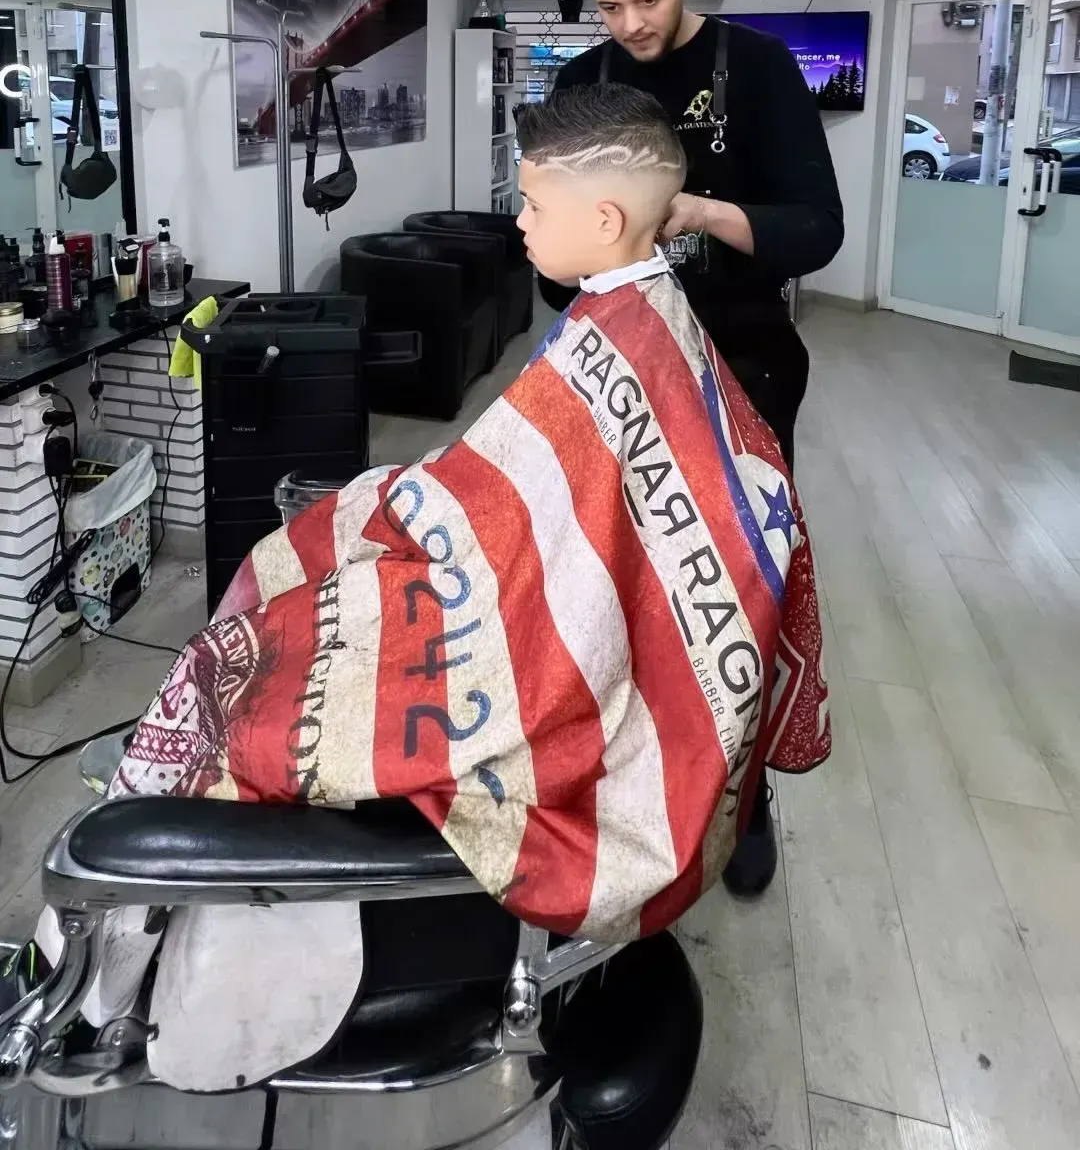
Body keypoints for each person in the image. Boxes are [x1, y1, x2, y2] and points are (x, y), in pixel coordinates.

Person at [52, 83, 828, 1092]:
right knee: (295, 562)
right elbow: (531, 499)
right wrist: (424, 507)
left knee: (235, 675)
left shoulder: (626, 336)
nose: (518, 219)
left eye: (532, 204)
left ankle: (108, 975)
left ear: (603, 221)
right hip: (503, 576)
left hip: (527, 648)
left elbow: (564, 577)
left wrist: (425, 524)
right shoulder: (636, 318)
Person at [539, 0, 843, 896]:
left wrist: (702, 214)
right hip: (618, 374)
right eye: (609, 5)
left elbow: (817, 229)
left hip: (743, 370)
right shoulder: (583, 81)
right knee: (619, 586)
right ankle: (626, 770)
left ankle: (742, 795)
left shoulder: (756, 69)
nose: (631, 25)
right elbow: (555, 274)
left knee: (734, 597)